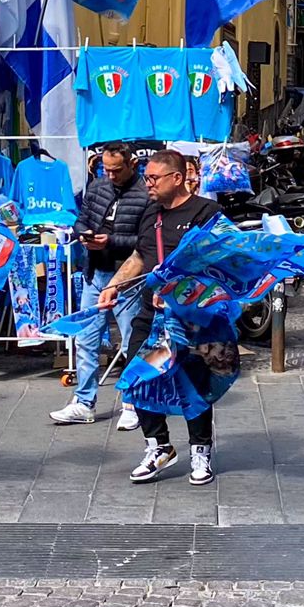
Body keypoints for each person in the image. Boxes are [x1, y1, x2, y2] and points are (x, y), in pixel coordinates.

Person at [98, 149, 220, 484]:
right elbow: (141, 255)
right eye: (147, 177)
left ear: (177, 178)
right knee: (137, 377)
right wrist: (114, 286)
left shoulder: (207, 213)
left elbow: (219, 264)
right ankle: (159, 446)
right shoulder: (150, 212)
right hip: (150, 316)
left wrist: (179, 291)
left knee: (194, 385)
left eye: (154, 178)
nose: (147, 184)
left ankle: (200, 451)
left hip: (191, 319)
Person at [50, 143, 152, 427]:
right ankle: (84, 402)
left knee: (133, 339)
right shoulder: (96, 187)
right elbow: (80, 220)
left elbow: (146, 243)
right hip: (95, 272)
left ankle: (133, 403)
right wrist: (83, 235)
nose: (110, 175)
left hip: (127, 276)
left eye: (116, 170)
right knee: (86, 338)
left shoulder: (145, 195)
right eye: (106, 169)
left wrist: (112, 241)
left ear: (131, 164)